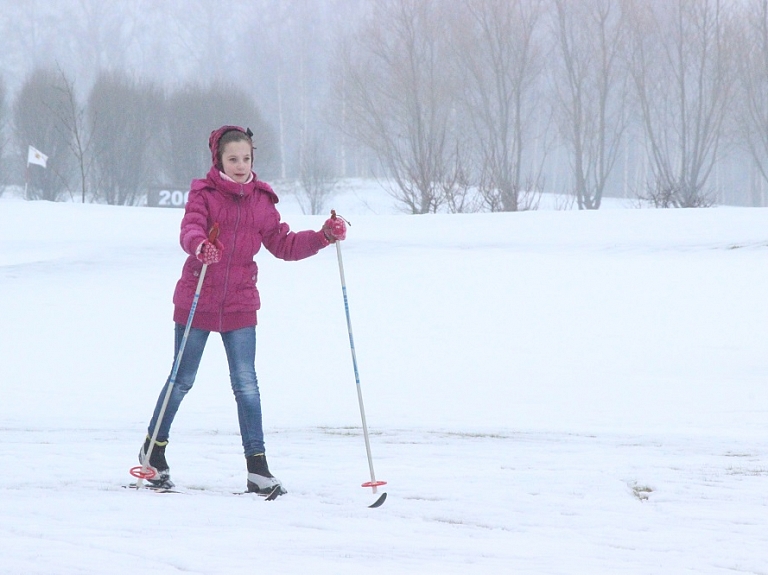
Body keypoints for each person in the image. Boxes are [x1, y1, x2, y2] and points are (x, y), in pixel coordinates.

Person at [139, 125, 347, 496]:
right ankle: (153, 450)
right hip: (198, 299)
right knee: (181, 379)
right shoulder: (203, 194)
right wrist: (200, 245)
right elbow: (190, 229)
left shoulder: (261, 201)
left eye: (246, 158)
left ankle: (257, 468)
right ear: (218, 159)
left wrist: (324, 236)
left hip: (239, 303)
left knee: (247, 386)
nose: (240, 165)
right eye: (232, 159)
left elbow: (283, 244)